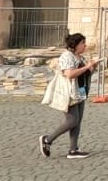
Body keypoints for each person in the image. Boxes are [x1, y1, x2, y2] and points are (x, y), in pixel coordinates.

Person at [38, 32, 100, 160]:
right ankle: (48, 139)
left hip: (80, 92)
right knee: (72, 121)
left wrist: (92, 67)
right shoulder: (67, 56)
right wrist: (87, 66)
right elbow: (70, 74)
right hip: (69, 93)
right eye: (83, 43)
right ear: (75, 44)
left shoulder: (80, 58)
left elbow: (85, 74)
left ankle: (73, 149)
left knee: (77, 122)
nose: (85, 46)